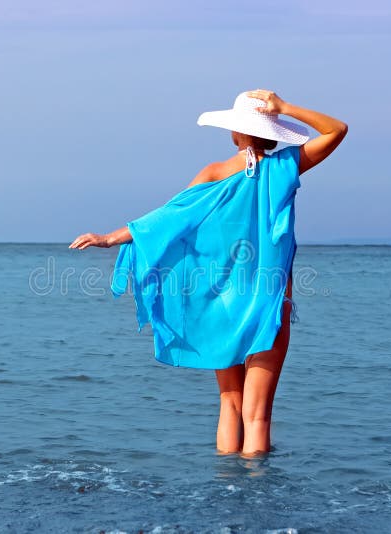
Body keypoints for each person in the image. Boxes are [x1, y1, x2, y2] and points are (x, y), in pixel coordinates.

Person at [69, 89, 347, 455]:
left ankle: (226, 491)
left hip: (223, 306)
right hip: (268, 302)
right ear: (271, 132)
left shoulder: (213, 174)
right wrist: (286, 108)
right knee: (258, 414)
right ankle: (259, 499)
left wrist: (109, 238)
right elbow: (337, 130)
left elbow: (166, 221)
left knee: (230, 404)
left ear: (236, 132)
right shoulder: (286, 166)